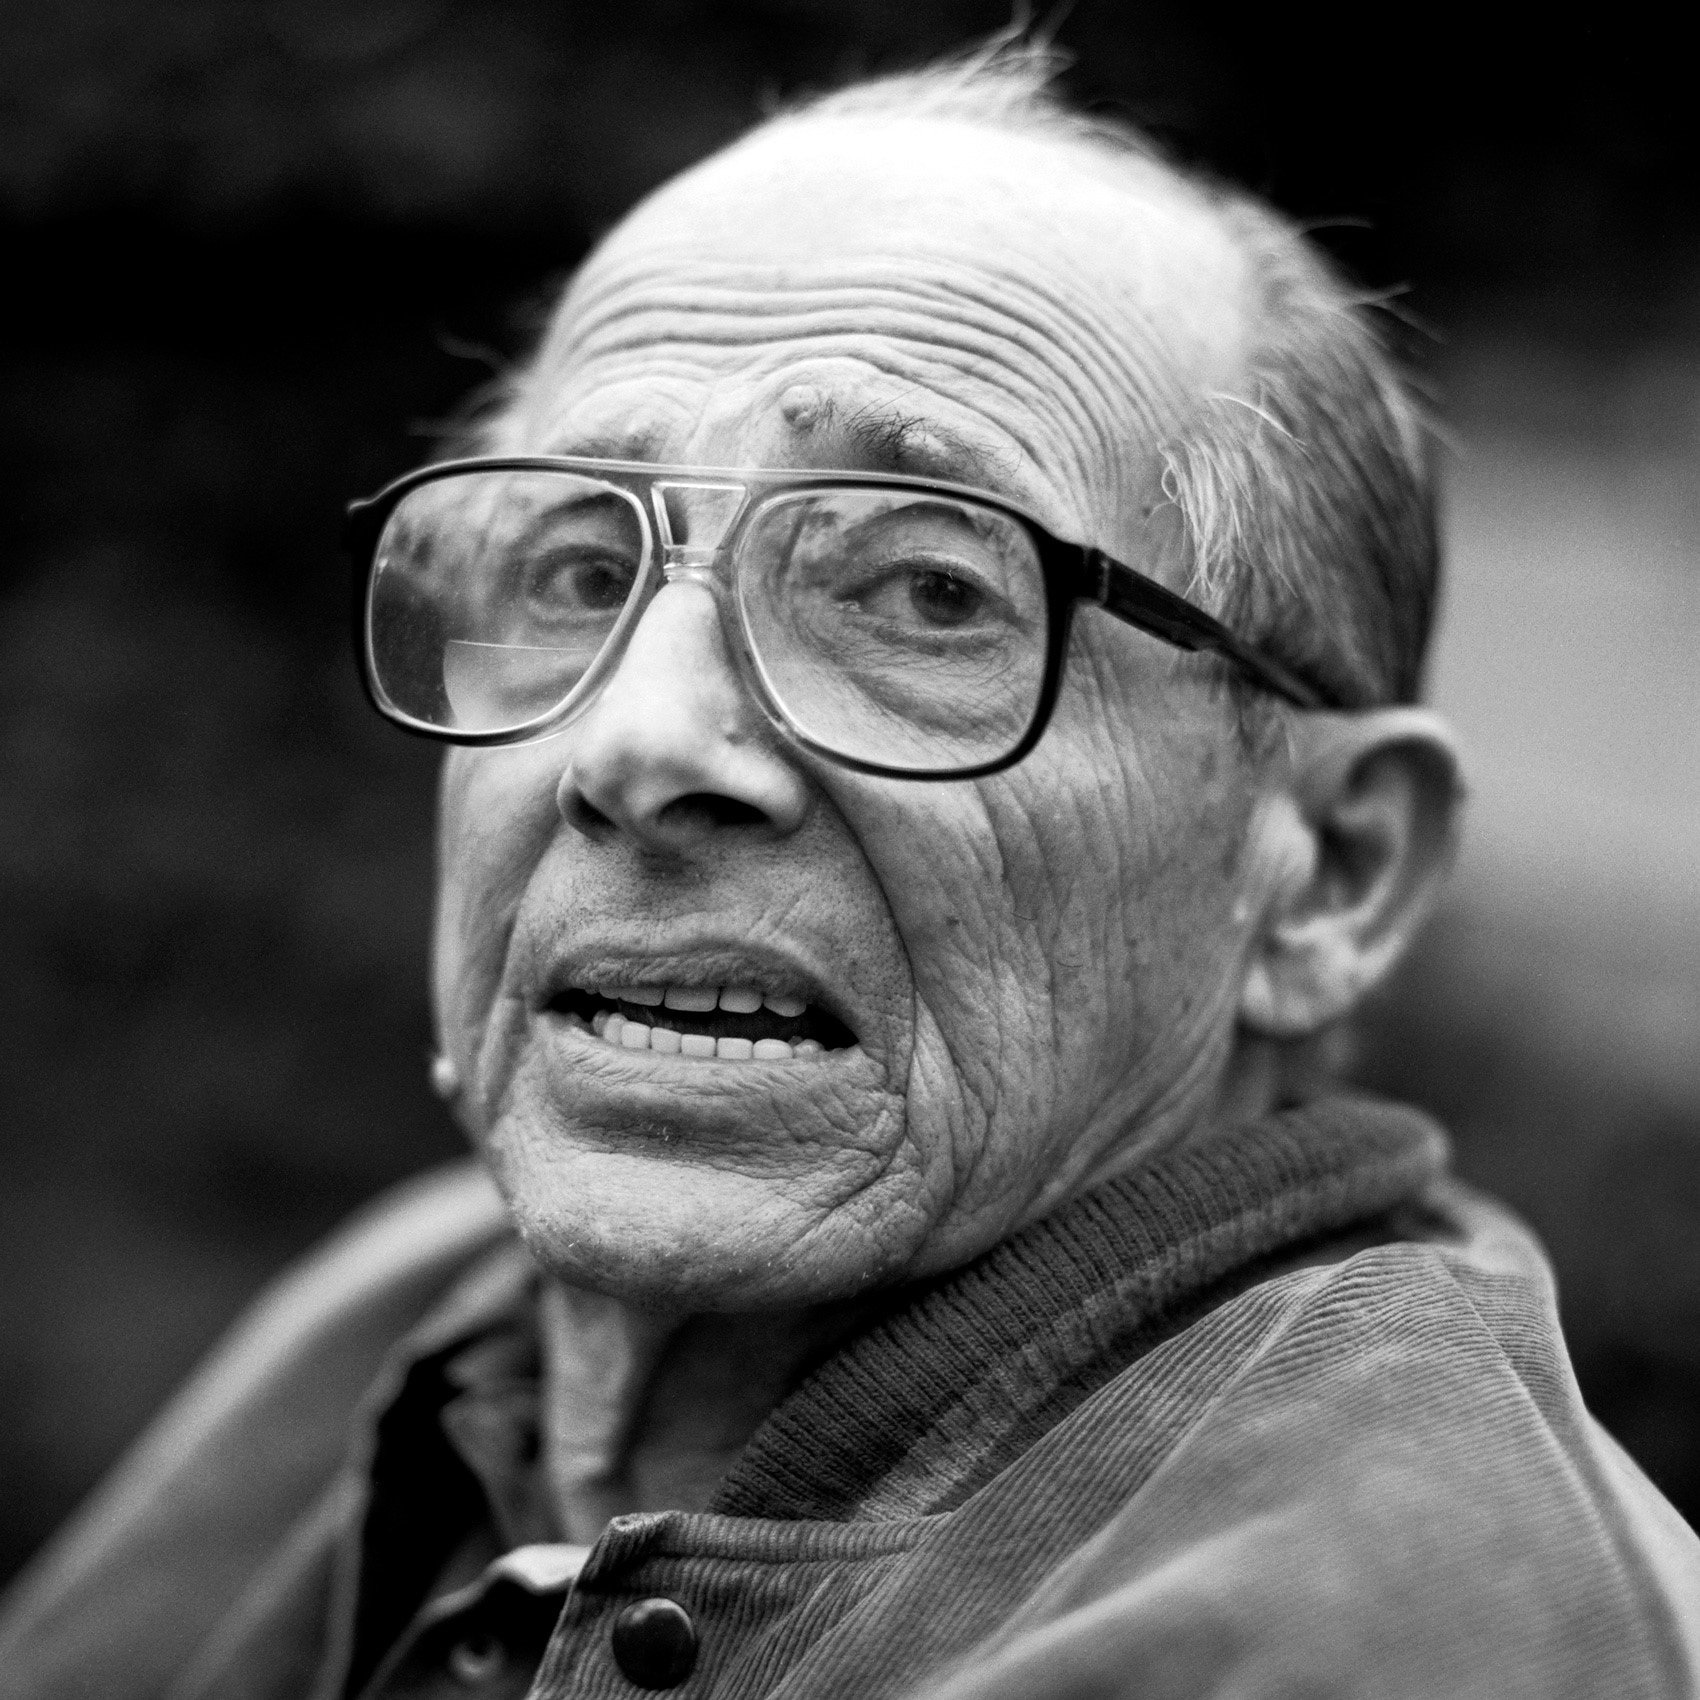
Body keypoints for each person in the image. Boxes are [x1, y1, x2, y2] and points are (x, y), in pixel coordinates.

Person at [3, 37, 1697, 1700]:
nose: (638, 745)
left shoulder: (1429, 1631)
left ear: (1332, 868)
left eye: (923, 591)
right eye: (584, 570)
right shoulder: (421, 1309)